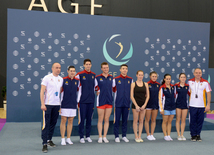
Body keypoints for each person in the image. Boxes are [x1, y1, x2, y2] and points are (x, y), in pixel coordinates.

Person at [40, 63, 63, 153]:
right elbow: (42, 91)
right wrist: (43, 104)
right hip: (48, 104)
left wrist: (60, 104)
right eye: (56, 68)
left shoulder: (61, 79)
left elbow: (60, 92)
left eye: (60, 68)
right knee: (46, 124)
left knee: (53, 123)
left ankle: (49, 140)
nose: (58, 69)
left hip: (57, 105)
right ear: (52, 68)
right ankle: (44, 143)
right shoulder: (47, 78)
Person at [75, 59, 96, 143]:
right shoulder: (79, 75)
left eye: (89, 64)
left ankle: (88, 136)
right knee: (82, 119)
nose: (88, 66)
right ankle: (81, 137)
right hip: (82, 101)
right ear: (84, 65)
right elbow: (74, 86)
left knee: (89, 119)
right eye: (86, 64)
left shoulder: (93, 75)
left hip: (91, 101)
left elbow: (96, 87)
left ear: (91, 65)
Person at [188, 68, 211, 141]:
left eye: (199, 73)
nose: (198, 74)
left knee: (200, 121)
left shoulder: (205, 82)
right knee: (192, 121)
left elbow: (208, 93)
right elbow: (187, 92)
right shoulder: (189, 82)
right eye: (196, 73)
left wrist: (208, 105)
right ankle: (193, 135)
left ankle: (198, 134)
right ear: (194, 73)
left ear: (201, 74)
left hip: (202, 106)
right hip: (192, 105)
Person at [60, 66, 80, 145]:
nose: (72, 72)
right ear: (68, 71)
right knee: (63, 121)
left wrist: (77, 102)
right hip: (64, 104)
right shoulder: (63, 80)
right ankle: (62, 139)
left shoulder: (77, 81)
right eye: (71, 71)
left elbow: (79, 92)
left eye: (74, 71)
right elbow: (60, 92)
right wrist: (60, 104)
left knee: (71, 121)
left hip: (73, 104)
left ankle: (68, 138)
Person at [113, 64, 133, 143]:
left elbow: (131, 92)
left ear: (127, 70)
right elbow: (112, 90)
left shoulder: (130, 80)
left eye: (126, 69)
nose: (124, 70)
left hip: (127, 104)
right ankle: (116, 136)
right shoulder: (116, 79)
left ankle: (124, 135)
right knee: (117, 120)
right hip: (118, 104)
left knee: (125, 120)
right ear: (120, 70)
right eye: (123, 68)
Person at [95, 62, 113, 143]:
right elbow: (94, 87)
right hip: (101, 101)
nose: (106, 69)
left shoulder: (112, 78)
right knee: (100, 119)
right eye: (104, 68)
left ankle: (105, 136)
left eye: (107, 67)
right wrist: (97, 90)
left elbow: (114, 88)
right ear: (101, 69)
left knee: (107, 119)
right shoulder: (97, 77)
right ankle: (100, 136)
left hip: (109, 101)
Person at [130, 70, 149, 142]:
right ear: (136, 75)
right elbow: (131, 96)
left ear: (143, 76)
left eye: (142, 75)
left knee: (141, 121)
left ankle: (140, 136)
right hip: (136, 105)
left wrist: (144, 105)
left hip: (143, 105)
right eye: (139, 75)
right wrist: (136, 105)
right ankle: (136, 136)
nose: (140, 76)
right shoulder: (133, 84)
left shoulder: (146, 84)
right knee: (135, 120)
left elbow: (148, 96)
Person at [159, 74, 176, 141]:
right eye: (167, 79)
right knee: (165, 121)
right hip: (165, 107)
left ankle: (168, 135)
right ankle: (165, 135)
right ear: (164, 79)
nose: (168, 80)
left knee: (170, 122)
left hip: (172, 107)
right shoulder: (162, 88)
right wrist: (161, 109)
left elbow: (175, 96)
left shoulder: (173, 87)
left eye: (169, 79)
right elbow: (160, 99)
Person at [145, 71, 160, 141]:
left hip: (155, 105)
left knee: (153, 120)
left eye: (155, 76)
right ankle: (148, 134)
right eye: (153, 76)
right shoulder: (147, 84)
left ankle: (152, 134)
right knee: (147, 120)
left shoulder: (158, 85)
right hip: (148, 105)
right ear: (150, 77)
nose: (154, 78)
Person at [174, 73, 189, 141]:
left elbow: (191, 94)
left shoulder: (188, 86)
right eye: (181, 77)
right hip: (178, 105)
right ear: (179, 78)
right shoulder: (176, 86)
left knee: (183, 120)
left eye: (184, 77)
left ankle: (182, 134)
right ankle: (178, 135)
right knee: (178, 119)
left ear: (185, 78)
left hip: (185, 105)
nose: (183, 78)